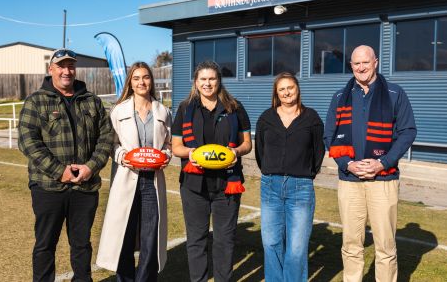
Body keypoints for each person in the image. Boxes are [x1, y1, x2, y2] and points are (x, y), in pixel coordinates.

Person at [18, 48, 113, 281]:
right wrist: (59, 171)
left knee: (81, 245)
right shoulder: (36, 101)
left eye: (70, 66)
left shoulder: (92, 101)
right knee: (45, 244)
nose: (66, 71)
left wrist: (91, 167)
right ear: (51, 70)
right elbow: (28, 142)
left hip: (85, 187)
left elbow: (106, 138)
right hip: (48, 187)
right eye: (61, 66)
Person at [324, 45, 417, 282]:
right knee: (351, 243)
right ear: (351, 66)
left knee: (385, 246)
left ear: (375, 62)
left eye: (366, 62)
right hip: (350, 181)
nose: (361, 67)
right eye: (356, 64)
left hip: (383, 180)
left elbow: (407, 132)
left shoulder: (395, 93)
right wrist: (348, 164)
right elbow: (329, 137)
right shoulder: (339, 97)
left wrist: (382, 162)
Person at [171, 60, 252, 282]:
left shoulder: (234, 107)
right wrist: (191, 154)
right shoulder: (185, 108)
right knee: (196, 240)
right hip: (194, 186)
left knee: (224, 241)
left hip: (227, 184)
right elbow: (176, 147)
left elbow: (247, 143)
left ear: (219, 81)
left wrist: (236, 153)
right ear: (196, 82)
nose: (208, 84)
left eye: (212, 79)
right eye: (203, 79)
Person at [96, 62, 172, 281]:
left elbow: (168, 143)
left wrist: (165, 156)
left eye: (146, 77)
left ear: (151, 81)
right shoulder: (118, 111)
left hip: (152, 182)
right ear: (130, 81)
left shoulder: (163, 111)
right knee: (124, 235)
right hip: (127, 179)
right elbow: (111, 143)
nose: (142, 82)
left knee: (150, 237)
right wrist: (123, 157)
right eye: (137, 78)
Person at [254, 72, 325, 281]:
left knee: (296, 247)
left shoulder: (311, 118)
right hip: (270, 187)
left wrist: (304, 173)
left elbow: (318, 151)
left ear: (297, 89)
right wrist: (271, 170)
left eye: (290, 87)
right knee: (271, 242)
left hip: (300, 187)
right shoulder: (266, 118)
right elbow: (260, 152)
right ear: (276, 93)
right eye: (281, 89)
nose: (286, 92)